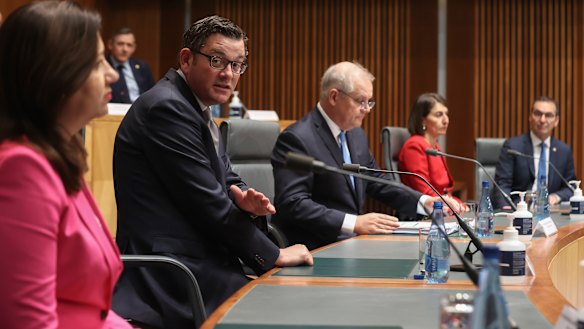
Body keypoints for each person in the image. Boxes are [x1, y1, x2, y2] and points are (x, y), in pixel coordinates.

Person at [112, 15, 313, 328]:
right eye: (218, 61)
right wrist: (273, 255)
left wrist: (245, 199)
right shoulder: (167, 109)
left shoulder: (194, 108)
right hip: (169, 273)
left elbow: (226, 177)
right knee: (292, 309)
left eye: (238, 65)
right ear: (186, 59)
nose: (229, 74)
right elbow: (207, 202)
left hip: (200, 259)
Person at [0, 2, 130, 328]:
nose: (112, 73)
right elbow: (29, 322)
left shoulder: (60, 153)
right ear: (58, 72)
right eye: (98, 62)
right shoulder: (22, 168)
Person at [271, 62, 457, 251]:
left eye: (370, 102)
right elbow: (293, 203)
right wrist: (354, 223)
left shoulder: (356, 135)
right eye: (361, 101)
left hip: (352, 245)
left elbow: (376, 180)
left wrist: (423, 201)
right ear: (334, 97)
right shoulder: (297, 138)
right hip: (315, 247)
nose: (367, 109)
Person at [493, 96, 576, 208]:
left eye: (548, 115)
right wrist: (506, 208)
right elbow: (502, 184)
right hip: (518, 210)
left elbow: (570, 187)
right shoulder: (513, 147)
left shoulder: (563, 150)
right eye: (537, 113)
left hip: (551, 213)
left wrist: (555, 197)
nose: (542, 120)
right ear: (530, 117)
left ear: (556, 121)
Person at [398, 93, 464, 206]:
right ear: (423, 120)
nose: (446, 120)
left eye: (446, 114)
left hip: (443, 206)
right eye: (438, 115)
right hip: (428, 212)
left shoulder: (435, 146)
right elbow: (424, 192)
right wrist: (453, 207)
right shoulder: (414, 146)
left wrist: (461, 206)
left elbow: (445, 191)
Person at [107, 27, 155, 103]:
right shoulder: (101, 67)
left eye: (129, 45)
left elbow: (152, 95)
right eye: (120, 44)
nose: (125, 49)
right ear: (110, 45)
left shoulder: (142, 67)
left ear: (134, 48)